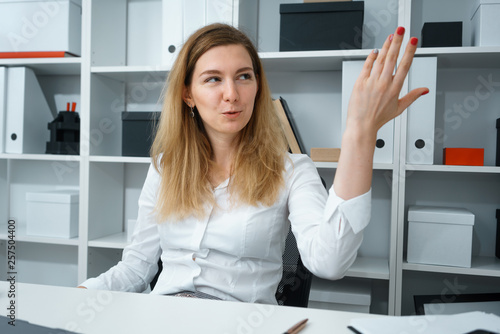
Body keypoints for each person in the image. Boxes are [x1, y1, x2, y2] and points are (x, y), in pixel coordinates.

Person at [78, 23, 428, 304]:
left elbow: (330, 261)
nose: (232, 93)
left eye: (244, 76)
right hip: (165, 318)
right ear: (188, 95)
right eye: (213, 79)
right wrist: (81, 294)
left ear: (257, 87)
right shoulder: (165, 166)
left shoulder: (293, 170)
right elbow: (135, 268)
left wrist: (360, 133)